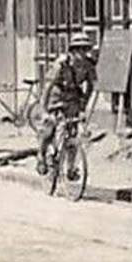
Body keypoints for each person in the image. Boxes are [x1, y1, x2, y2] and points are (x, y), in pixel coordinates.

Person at [38, 31, 98, 174]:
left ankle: (70, 167)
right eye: (80, 49)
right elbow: (48, 86)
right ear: (73, 50)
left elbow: (91, 86)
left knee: (72, 132)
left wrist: (84, 104)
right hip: (56, 95)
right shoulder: (61, 64)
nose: (83, 53)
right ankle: (41, 155)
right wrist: (44, 111)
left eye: (85, 49)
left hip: (73, 97)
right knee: (49, 127)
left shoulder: (88, 65)